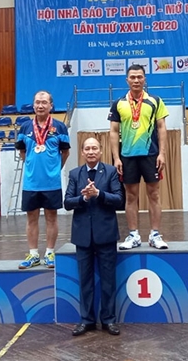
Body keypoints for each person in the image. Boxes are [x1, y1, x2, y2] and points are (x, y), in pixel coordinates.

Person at [64, 137, 123, 336]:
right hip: (82, 237)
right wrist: (83, 198)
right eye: (87, 148)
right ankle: (87, 320)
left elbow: (119, 199)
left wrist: (99, 194)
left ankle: (109, 320)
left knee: (108, 281)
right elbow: (67, 202)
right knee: (85, 281)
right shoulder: (74, 174)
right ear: (82, 152)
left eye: (94, 148)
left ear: (101, 151)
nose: (91, 152)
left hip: (106, 235)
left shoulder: (111, 171)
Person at [108, 64, 169, 250]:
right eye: (132, 77)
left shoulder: (155, 101)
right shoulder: (119, 103)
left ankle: (155, 235)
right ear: (127, 80)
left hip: (151, 155)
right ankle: (133, 235)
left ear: (145, 79)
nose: (136, 80)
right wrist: (116, 158)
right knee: (131, 196)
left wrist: (162, 153)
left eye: (139, 77)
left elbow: (161, 128)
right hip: (127, 156)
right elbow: (113, 131)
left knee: (154, 194)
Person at [15, 90, 70, 269]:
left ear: (51, 105)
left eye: (44, 102)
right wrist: (32, 167)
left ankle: (50, 253)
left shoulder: (60, 127)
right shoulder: (25, 128)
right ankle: (33, 255)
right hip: (31, 183)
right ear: (33, 105)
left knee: (51, 218)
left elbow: (65, 152)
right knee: (31, 219)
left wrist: (54, 170)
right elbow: (22, 151)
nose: (40, 105)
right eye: (37, 102)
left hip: (51, 183)